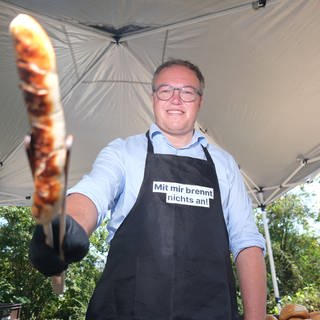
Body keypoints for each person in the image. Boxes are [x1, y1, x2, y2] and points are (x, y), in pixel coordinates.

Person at [29, 59, 267, 320]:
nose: (176, 99)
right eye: (166, 90)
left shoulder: (225, 165)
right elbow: (92, 194)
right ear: (154, 97)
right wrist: (65, 226)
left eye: (187, 91)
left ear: (200, 101)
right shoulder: (123, 152)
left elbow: (247, 243)